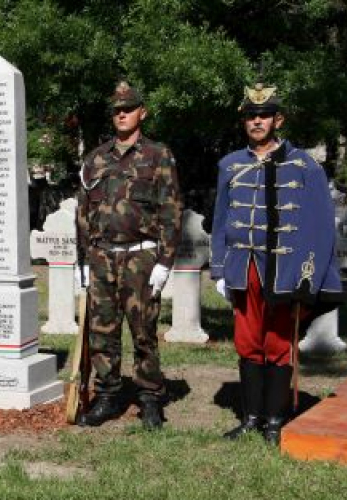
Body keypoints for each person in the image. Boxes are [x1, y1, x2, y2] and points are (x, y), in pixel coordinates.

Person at [210, 82, 345, 445]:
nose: (257, 121)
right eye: (251, 116)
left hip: (285, 270)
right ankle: (251, 418)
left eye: (264, 115)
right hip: (244, 266)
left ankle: (274, 421)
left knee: (278, 342)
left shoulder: (304, 165)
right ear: (244, 122)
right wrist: (220, 269)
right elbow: (221, 219)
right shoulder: (229, 164)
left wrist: (308, 276)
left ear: (278, 119)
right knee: (247, 340)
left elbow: (319, 226)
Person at [76, 82, 182, 429]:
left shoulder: (157, 155)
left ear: (142, 112)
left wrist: (165, 262)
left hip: (140, 258)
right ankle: (107, 395)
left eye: (129, 108)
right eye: (117, 110)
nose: (122, 114)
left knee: (143, 331)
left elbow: (171, 210)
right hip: (102, 257)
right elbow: (83, 211)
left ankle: (150, 397)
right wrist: (82, 260)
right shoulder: (95, 159)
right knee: (101, 331)